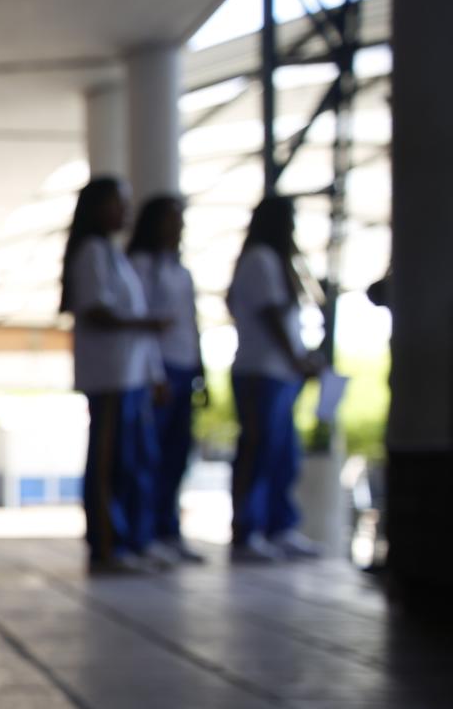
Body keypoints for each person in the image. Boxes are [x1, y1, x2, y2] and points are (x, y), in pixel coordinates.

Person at [62, 176, 169, 575]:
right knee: (109, 465)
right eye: (117, 203)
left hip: (129, 375)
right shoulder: (92, 252)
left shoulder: (111, 253)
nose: (124, 211)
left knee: (133, 462)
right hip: (109, 376)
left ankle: (130, 540)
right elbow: (95, 309)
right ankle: (107, 545)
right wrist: (144, 324)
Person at [225, 195, 324, 562]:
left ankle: (278, 527)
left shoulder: (278, 263)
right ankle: (248, 530)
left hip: (280, 373)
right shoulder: (260, 260)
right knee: (258, 451)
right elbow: (268, 316)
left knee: (283, 453)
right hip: (260, 372)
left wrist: (301, 358)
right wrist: (295, 358)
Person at [127, 195, 206, 564]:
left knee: (177, 455)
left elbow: (191, 322)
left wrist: (200, 368)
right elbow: (144, 326)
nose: (178, 227)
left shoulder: (181, 270)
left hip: (185, 366)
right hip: (159, 371)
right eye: (172, 219)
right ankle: (144, 532)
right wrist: (155, 372)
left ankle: (167, 528)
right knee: (150, 455)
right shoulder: (142, 266)